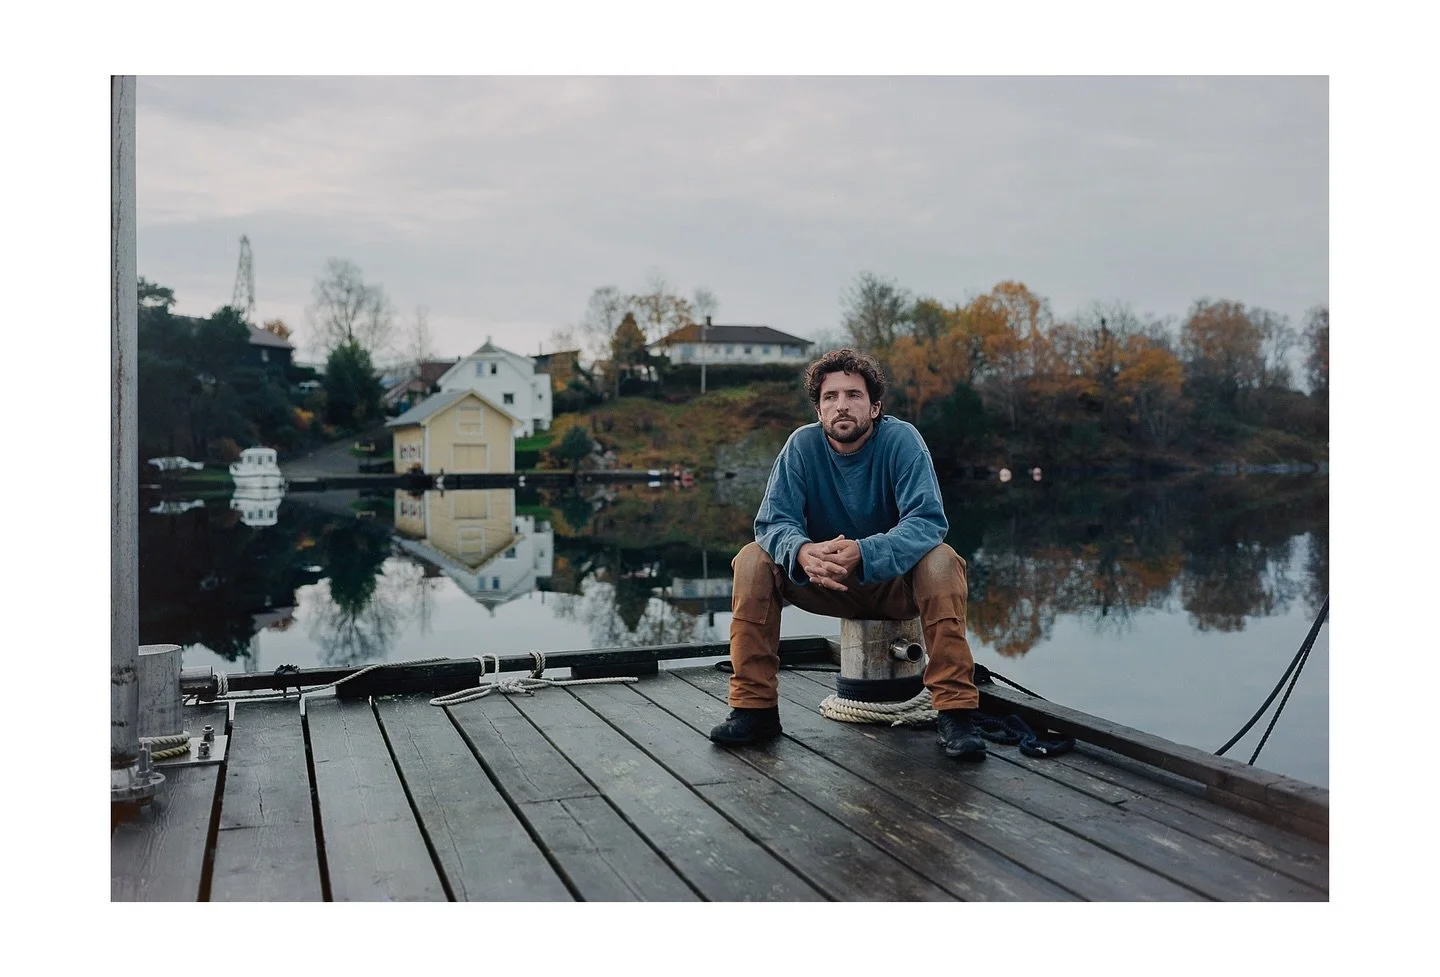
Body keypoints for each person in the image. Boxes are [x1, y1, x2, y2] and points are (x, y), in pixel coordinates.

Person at [708, 348, 986, 760]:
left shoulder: (902, 441)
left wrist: (864, 551)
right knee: (752, 559)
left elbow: (927, 521)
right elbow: (772, 522)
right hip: (825, 582)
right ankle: (755, 709)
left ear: (874, 407)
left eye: (854, 395)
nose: (842, 405)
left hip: (895, 586)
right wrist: (801, 551)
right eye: (831, 397)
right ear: (819, 410)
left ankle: (956, 712)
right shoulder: (801, 446)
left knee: (942, 560)